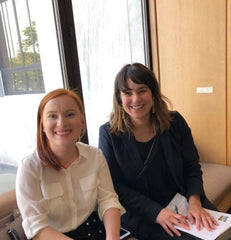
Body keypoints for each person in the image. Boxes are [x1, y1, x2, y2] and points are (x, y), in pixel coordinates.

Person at [98, 63, 218, 240]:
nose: (136, 99)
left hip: (183, 200)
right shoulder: (109, 134)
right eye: (128, 93)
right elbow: (115, 186)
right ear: (119, 98)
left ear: (153, 93)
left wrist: (195, 202)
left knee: (221, 232)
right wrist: (157, 213)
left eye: (142, 90)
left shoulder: (175, 122)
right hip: (143, 212)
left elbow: (191, 166)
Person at [16, 88, 125, 240]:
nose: (61, 123)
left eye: (70, 114)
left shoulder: (95, 156)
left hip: (92, 229)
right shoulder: (29, 168)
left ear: (82, 120)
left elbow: (108, 201)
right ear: (42, 125)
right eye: (52, 116)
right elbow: (37, 227)